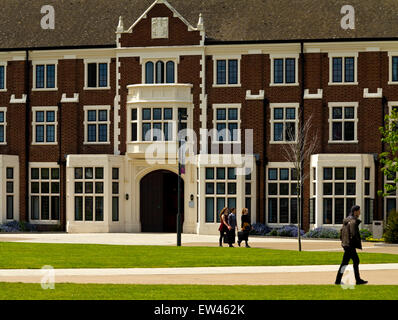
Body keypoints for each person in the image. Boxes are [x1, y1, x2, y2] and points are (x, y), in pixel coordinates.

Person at [335, 205, 368, 285]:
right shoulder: (353, 221)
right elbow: (353, 234)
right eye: (359, 211)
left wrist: (343, 242)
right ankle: (358, 280)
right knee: (356, 261)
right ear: (355, 211)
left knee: (345, 263)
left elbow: (341, 232)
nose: (360, 213)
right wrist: (356, 242)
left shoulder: (346, 220)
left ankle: (338, 280)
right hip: (350, 245)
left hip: (346, 244)